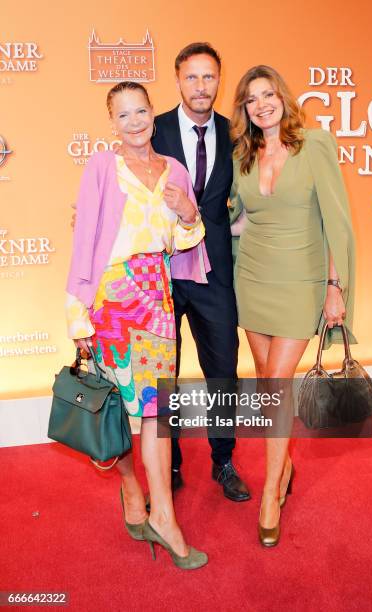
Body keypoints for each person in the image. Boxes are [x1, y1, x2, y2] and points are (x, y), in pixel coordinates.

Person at [65, 81, 208, 569]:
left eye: (141, 111)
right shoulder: (102, 168)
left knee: (157, 412)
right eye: (123, 115)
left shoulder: (175, 171)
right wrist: (76, 310)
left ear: (153, 113)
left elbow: (186, 238)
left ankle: (163, 515)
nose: (134, 122)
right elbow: (84, 237)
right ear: (111, 122)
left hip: (158, 298)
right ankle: (131, 487)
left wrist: (190, 214)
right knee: (121, 410)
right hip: (113, 298)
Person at [229, 65, 356, 546]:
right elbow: (242, 221)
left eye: (269, 94)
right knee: (267, 388)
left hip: (301, 279)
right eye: (251, 98)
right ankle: (285, 462)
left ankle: (270, 491)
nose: (262, 104)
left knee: (278, 386)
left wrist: (334, 285)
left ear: (283, 97)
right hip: (253, 278)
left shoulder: (314, 144)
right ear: (243, 109)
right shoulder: (244, 155)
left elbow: (335, 218)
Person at [152, 42, 250, 503]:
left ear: (219, 80)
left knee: (223, 372)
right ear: (177, 80)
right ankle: (168, 464)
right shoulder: (154, 130)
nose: (201, 86)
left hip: (215, 275)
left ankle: (223, 460)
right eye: (192, 77)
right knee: (163, 374)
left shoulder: (236, 133)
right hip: (164, 274)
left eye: (209, 77)